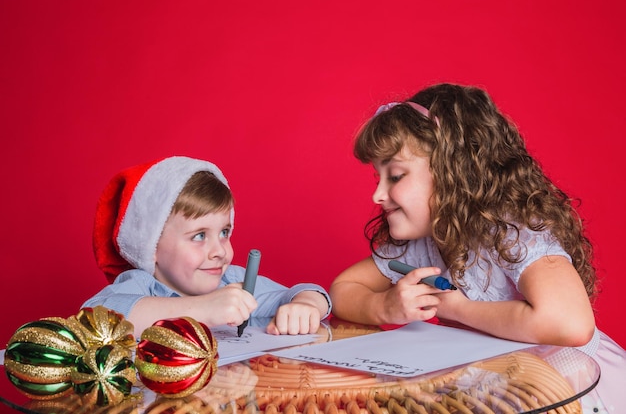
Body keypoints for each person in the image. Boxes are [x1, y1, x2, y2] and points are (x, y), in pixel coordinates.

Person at [329, 83, 625, 413]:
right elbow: (343, 289)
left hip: (570, 388)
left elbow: (570, 324)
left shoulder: (512, 231)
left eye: (395, 176)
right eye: (377, 178)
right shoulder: (424, 241)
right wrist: (383, 306)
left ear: (455, 171)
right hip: (503, 389)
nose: (378, 195)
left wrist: (453, 308)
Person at [84, 156, 330, 337]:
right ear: (152, 246)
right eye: (199, 236)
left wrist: (306, 305)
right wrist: (203, 309)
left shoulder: (233, 282)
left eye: (224, 232)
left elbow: (308, 292)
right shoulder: (140, 284)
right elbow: (94, 317)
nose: (220, 251)